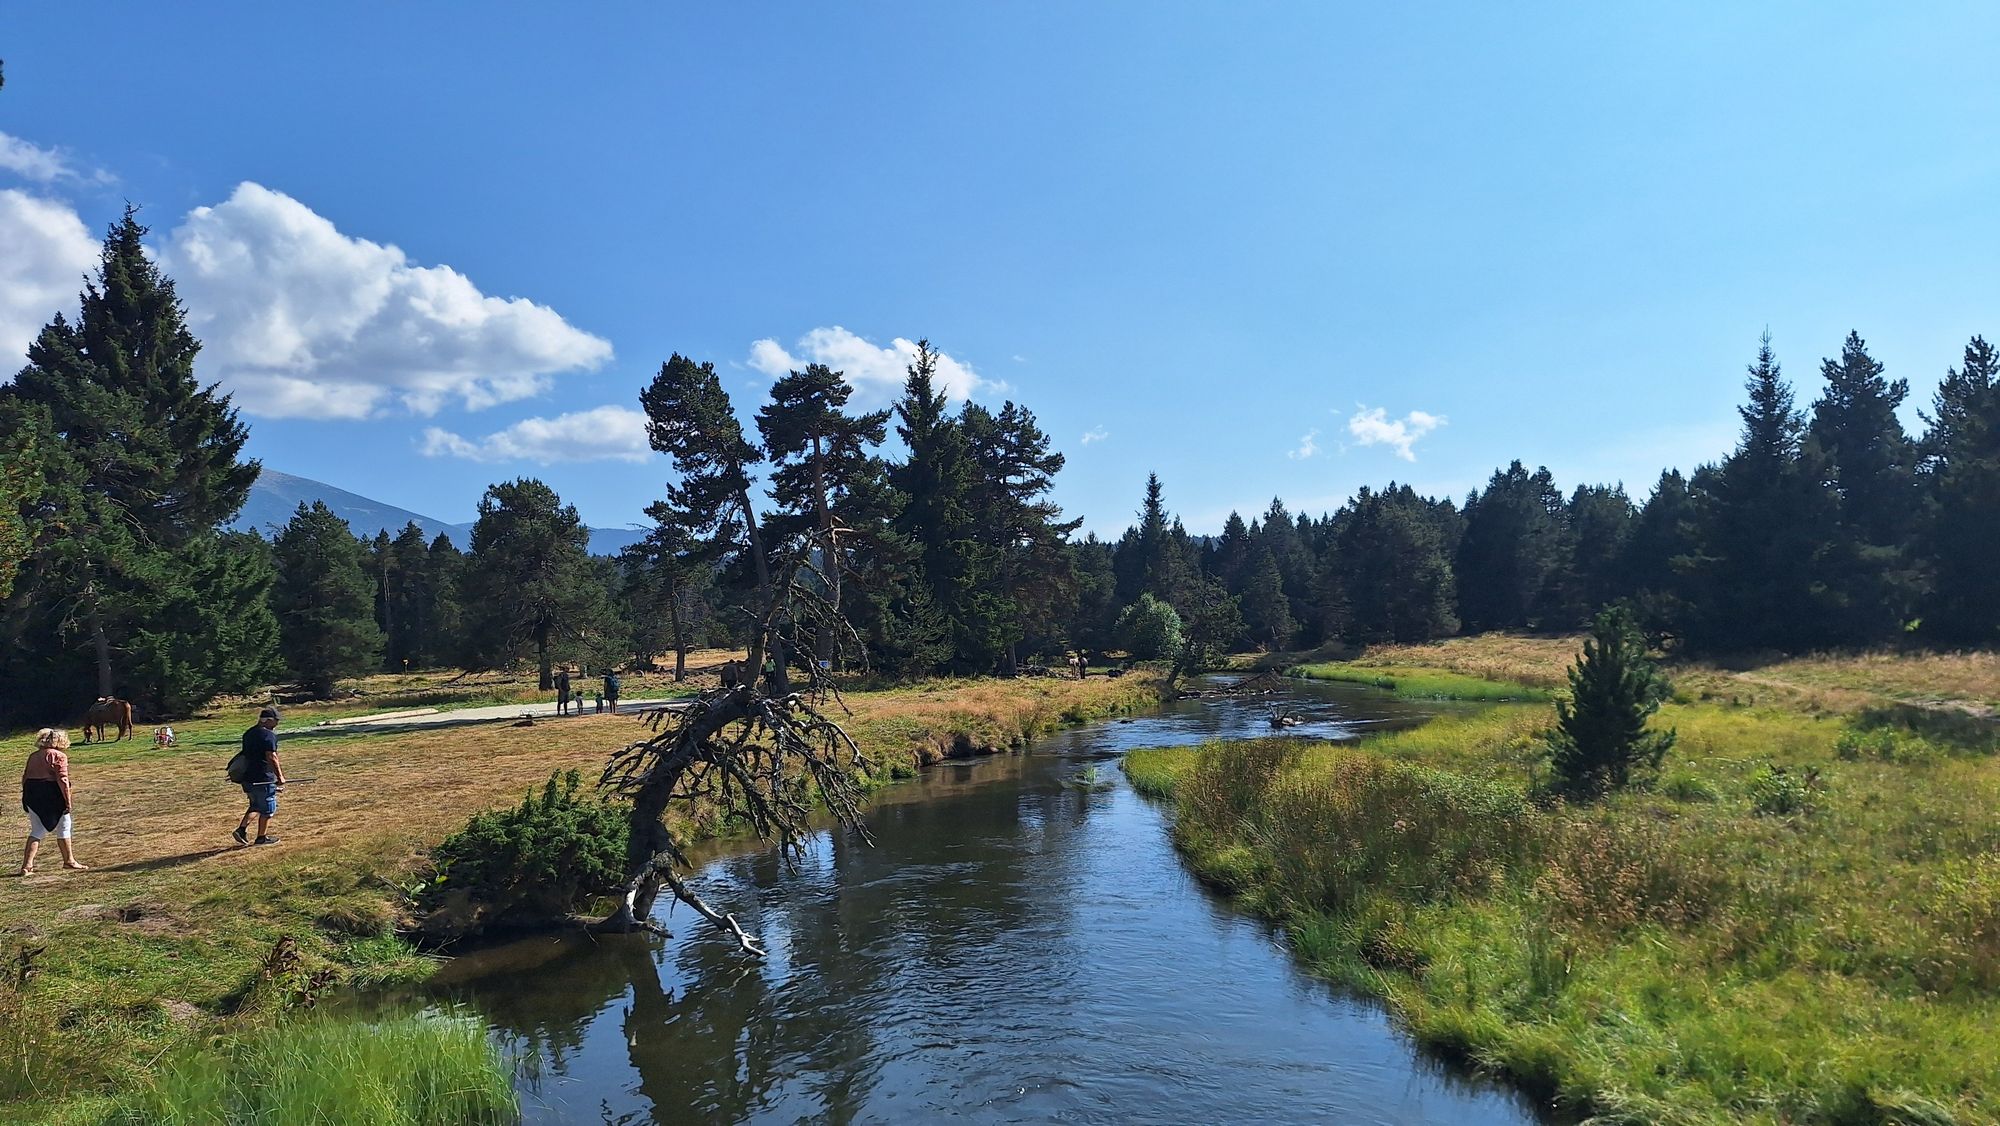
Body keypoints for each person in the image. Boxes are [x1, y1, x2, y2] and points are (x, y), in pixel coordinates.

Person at [20, 728, 85, 875]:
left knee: (37, 830)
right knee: (64, 825)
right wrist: (67, 801)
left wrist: (25, 797)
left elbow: (25, 777)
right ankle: (69, 861)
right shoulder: (59, 755)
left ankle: (27, 865)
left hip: (32, 792)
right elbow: (62, 779)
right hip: (50, 793)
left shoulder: (33, 756)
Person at [232, 707, 287, 846]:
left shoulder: (249, 733)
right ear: (267, 720)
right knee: (268, 808)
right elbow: (271, 756)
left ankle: (242, 829)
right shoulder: (268, 735)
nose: (277, 724)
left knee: (256, 804)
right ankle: (261, 838)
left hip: (247, 776)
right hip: (263, 776)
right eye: (276, 721)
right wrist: (279, 777)